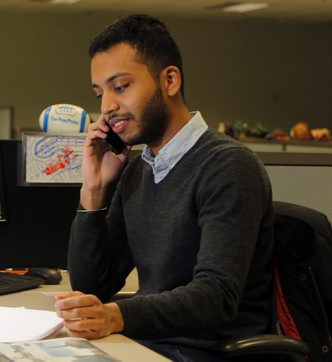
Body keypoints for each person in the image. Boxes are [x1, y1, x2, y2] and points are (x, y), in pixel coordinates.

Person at [54, 14, 274, 361]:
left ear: (169, 80)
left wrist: (117, 315)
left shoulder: (228, 166)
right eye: (100, 92)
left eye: (121, 87)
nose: (107, 106)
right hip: (149, 344)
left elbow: (216, 295)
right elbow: (93, 286)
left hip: (206, 351)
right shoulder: (139, 169)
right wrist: (93, 191)